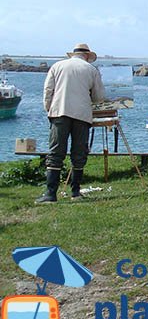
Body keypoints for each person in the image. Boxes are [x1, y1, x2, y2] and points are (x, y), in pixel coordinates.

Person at [37, 43, 105, 203]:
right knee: (79, 153)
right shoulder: (91, 70)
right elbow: (99, 97)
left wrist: (49, 109)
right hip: (82, 115)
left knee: (55, 152)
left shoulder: (57, 66)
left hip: (59, 112)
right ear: (87, 56)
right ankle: (75, 192)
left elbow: (48, 91)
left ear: (72, 54)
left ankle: (50, 194)